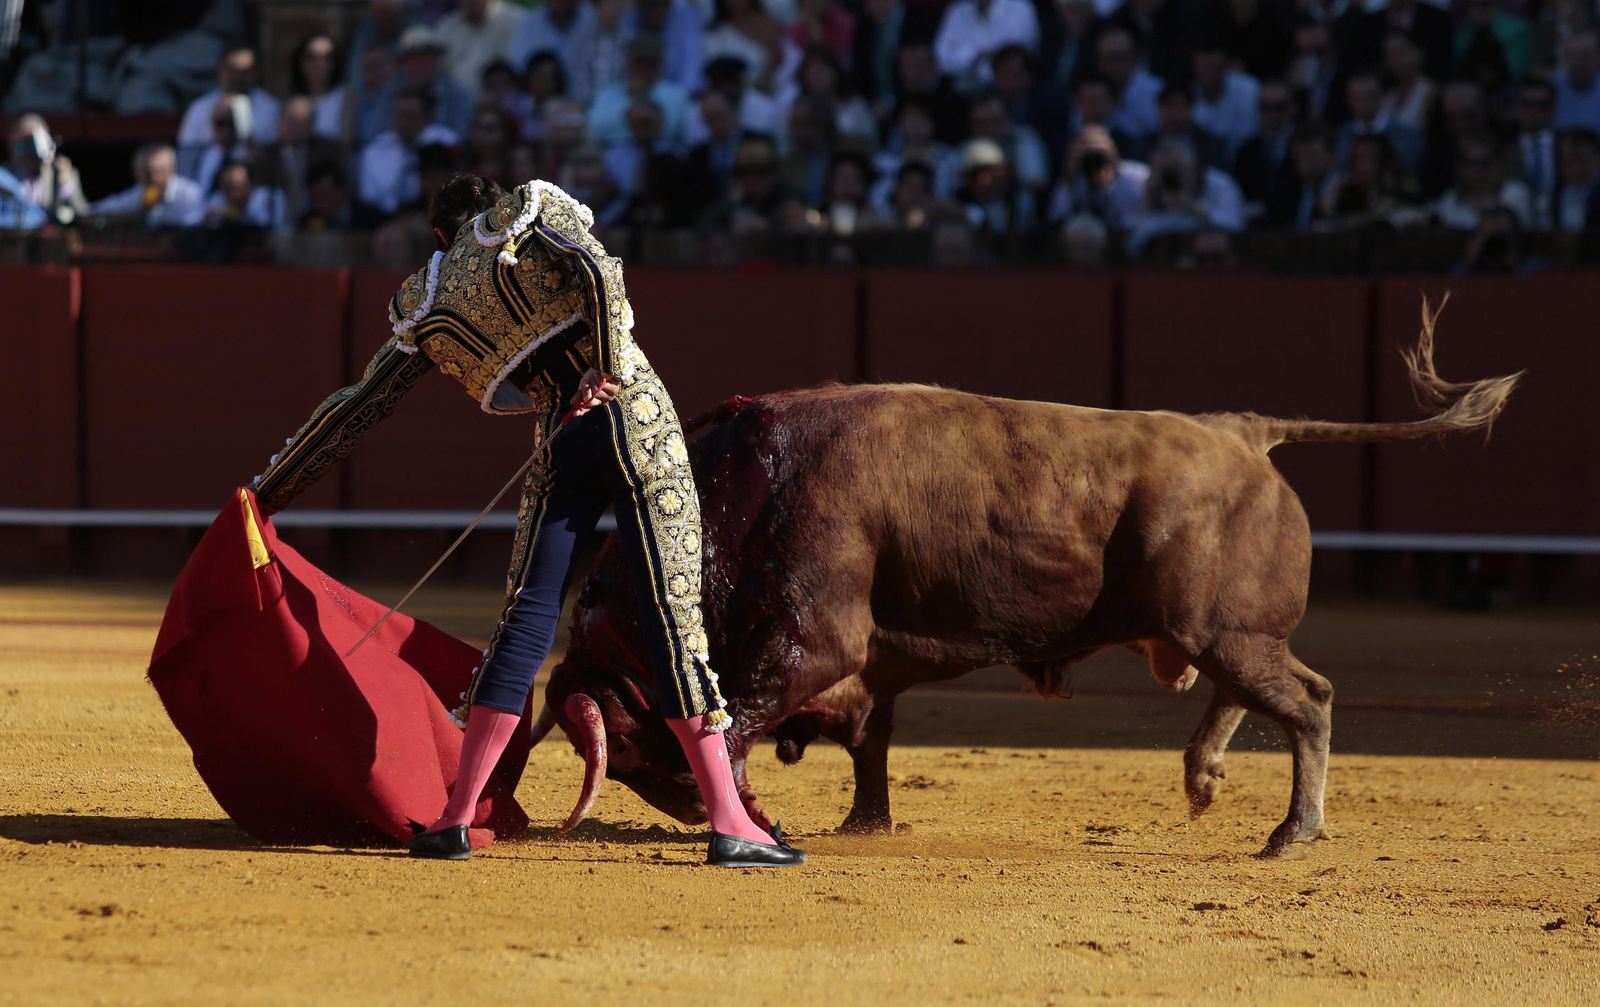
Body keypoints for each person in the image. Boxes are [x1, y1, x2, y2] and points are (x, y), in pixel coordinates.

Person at [250, 173, 806, 868]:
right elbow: (599, 271)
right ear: (486, 203)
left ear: (437, 236)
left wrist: (268, 489)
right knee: (672, 615)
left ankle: (455, 816)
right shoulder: (523, 212)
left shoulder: (425, 297)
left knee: (524, 616)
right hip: (631, 416)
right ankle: (729, 820)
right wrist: (603, 366)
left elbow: (359, 403)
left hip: (559, 436)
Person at [89, 143, 205, 228]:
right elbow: (105, 209)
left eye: (160, 171)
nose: (154, 178)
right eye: (147, 173)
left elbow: (197, 225)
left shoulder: (191, 194)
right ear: (136, 173)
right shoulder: (139, 193)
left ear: (172, 169)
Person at [6, 113, 88, 224]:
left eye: (32, 144)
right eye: (20, 146)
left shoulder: (63, 173)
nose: (27, 153)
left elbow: (83, 213)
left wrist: (64, 183)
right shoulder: (4, 177)